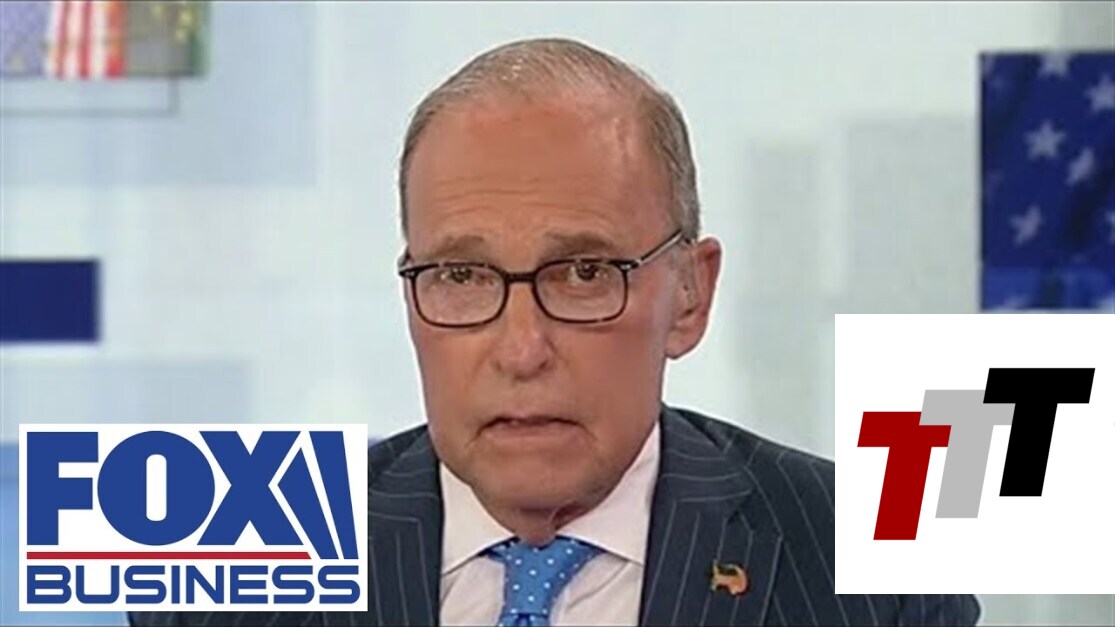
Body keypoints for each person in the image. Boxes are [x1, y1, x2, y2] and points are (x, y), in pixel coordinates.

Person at [131, 37, 980, 627]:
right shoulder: (224, 573)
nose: (521, 349)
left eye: (582, 273)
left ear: (689, 295)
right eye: (461, 277)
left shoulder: (872, 568)